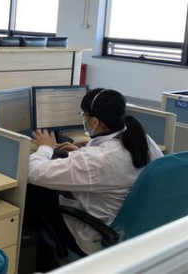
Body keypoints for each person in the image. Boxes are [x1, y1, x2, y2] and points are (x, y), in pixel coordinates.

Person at [24, 88, 163, 269]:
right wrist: (82, 153)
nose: (83, 119)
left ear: (95, 122)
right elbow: (110, 166)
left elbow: (33, 171)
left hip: (103, 238)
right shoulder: (143, 140)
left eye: (84, 115)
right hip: (138, 231)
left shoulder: (97, 159)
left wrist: (46, 147)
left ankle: (43, 262)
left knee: (37, 193)